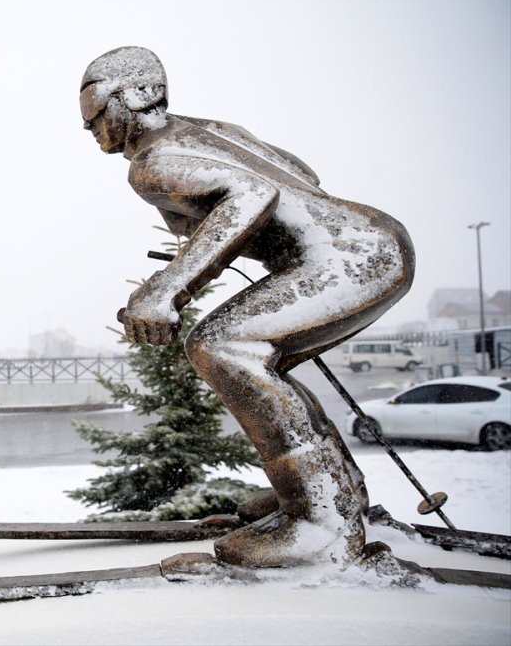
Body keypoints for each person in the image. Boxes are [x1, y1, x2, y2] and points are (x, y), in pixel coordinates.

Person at [81, 46, 415, 567]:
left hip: (349, 258)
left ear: (139, 96)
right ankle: (324, 488)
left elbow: (252, 194)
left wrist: (167, 289)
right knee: (260, 358)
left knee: (222, 347)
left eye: (97, 112)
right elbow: (298, 171)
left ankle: (322, 524)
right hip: (372, 239)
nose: (92, 130)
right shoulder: (209, 131)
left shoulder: (153, 162)